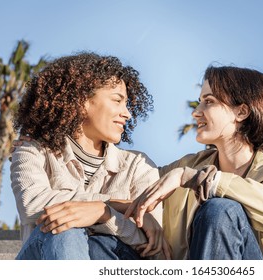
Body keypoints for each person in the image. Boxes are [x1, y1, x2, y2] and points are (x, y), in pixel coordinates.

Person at [125, 65, 263, 260]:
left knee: (221, 209)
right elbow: (134, 183)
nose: (196, 112)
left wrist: (199, 179)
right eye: (199, 102)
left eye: (209, 102)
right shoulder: (188, 165)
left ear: (241, 112)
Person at [10, 52, 170, 260]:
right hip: (45, 256)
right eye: (117, 100)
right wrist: (114, 205)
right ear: (81, 101)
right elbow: (32, 204)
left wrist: (103, 213)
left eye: (127, 104)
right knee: (64, 226)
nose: (127, 113)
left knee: (74, 224)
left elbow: (151, 242)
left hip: (112, 260)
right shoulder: (32, 149)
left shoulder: (138, 164)